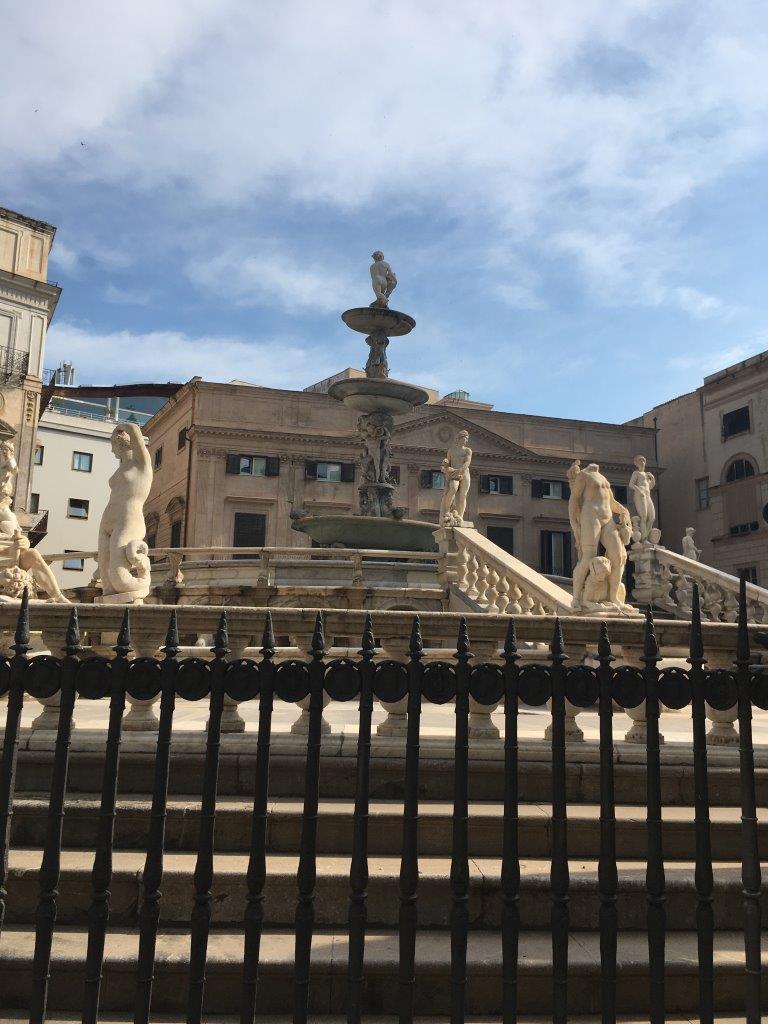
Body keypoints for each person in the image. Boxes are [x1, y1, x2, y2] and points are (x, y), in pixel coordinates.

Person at [98, 422, 153, 597]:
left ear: (121, 443)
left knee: (120, 580)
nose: (111, 450)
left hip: (128, 522)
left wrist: (120, 426)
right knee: (107, 584)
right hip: (107, 523)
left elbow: (135, 430)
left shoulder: (142, 464)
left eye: (112, 445)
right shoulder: (122, 467)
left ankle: (143, 573)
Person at [568, 460, 632, 610]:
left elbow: (611, 502)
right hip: (591, 516)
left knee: (619, 557)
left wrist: (624, 511)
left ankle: (613, 598)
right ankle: (576, 598)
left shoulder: (603, 478)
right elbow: (574, 499)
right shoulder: (584, 475)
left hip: (608, 518)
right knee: (588, 557)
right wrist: (574, 523)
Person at [0, 493, 69, 602]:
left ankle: (58, 596)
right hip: (6, 559)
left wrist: (24, 542)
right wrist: (8, 550)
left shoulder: (8, 514)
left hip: (11, 562)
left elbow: (22, 537)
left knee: (32, 554)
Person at [439, 430, 472, 525]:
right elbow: (447, 462)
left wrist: (461, 470)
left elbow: (467, 462)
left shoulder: (468, 450)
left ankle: (460, 516)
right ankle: (447, 511)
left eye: (467, 439)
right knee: (453, 489)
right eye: (465, 438)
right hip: (454, 473)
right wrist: (445, 463)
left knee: (463, 495)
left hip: (464, 473)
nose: (466, 440)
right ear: (460, 438)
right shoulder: (451, 450)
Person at [628, 454, 656, 541]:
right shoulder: (636, 473)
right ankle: (644, 539)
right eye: (640, 460)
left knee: (652, 518)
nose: (642, 462)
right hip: (640, 496)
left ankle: (645, 537)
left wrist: (653, 479)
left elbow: (650, 486)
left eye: (643, 460)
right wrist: (639, 490)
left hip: (647, 496)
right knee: (644, 517)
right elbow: (631, 484)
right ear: (636, 463)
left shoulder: (647, 475)